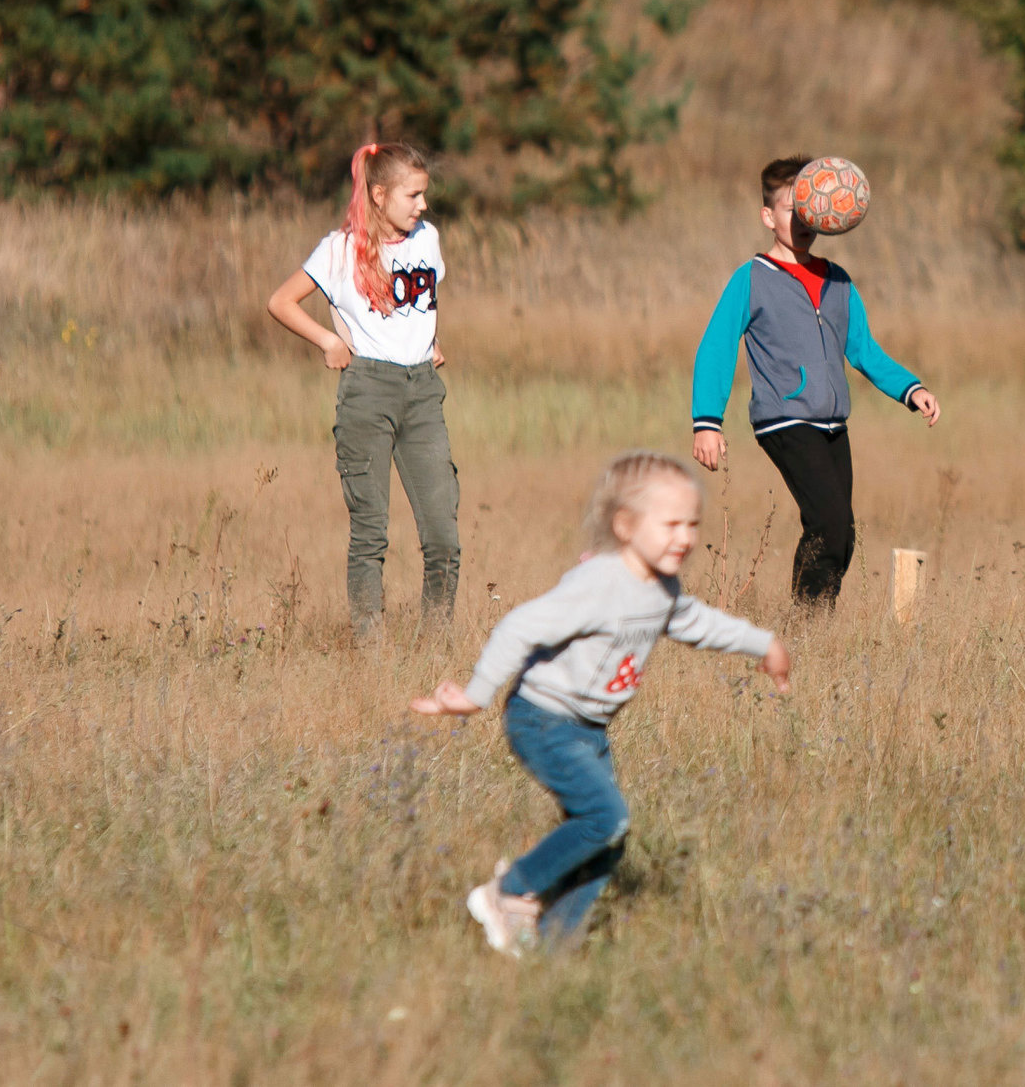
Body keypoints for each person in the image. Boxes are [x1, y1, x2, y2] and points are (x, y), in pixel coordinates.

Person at [412, 451, 790, 954]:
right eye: (672, 523)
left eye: (692, 524)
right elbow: (520, 626)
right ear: (626, 525)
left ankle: (552, 948)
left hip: (588, 729)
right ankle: (508, 892)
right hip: (542, 719)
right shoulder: (600, 584)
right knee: (604, 817)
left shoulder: (660, 588)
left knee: (607, 840)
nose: (686, 537)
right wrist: (475, 696)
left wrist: (764, 644)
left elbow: (699, 624)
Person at [689, 155, 940, 604]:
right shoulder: (751, 279)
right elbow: (716, 347)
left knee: (841, 533)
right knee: (827, 520)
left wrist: (911, 388)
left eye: (810, 211)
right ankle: (806, 625)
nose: (804, 220)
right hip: (785, 420)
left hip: (832, 424)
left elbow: (863, 349)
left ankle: (816, 624)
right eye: (792, 210)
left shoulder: (838, 281)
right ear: (768, 216)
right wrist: (707, 421)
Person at [267, 140, 458, 637]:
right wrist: (328, 340)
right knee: (370, 534)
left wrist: (431, 338)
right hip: (368, 392)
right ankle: (370, 654)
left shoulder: (428, 238)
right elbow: (281, 302)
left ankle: (435, 648)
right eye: (413, 195)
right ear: (378, 195)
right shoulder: (340, 249)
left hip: (422, 393)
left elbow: (424, 301)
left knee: (442, 536)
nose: (423, 205)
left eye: (424, 195)